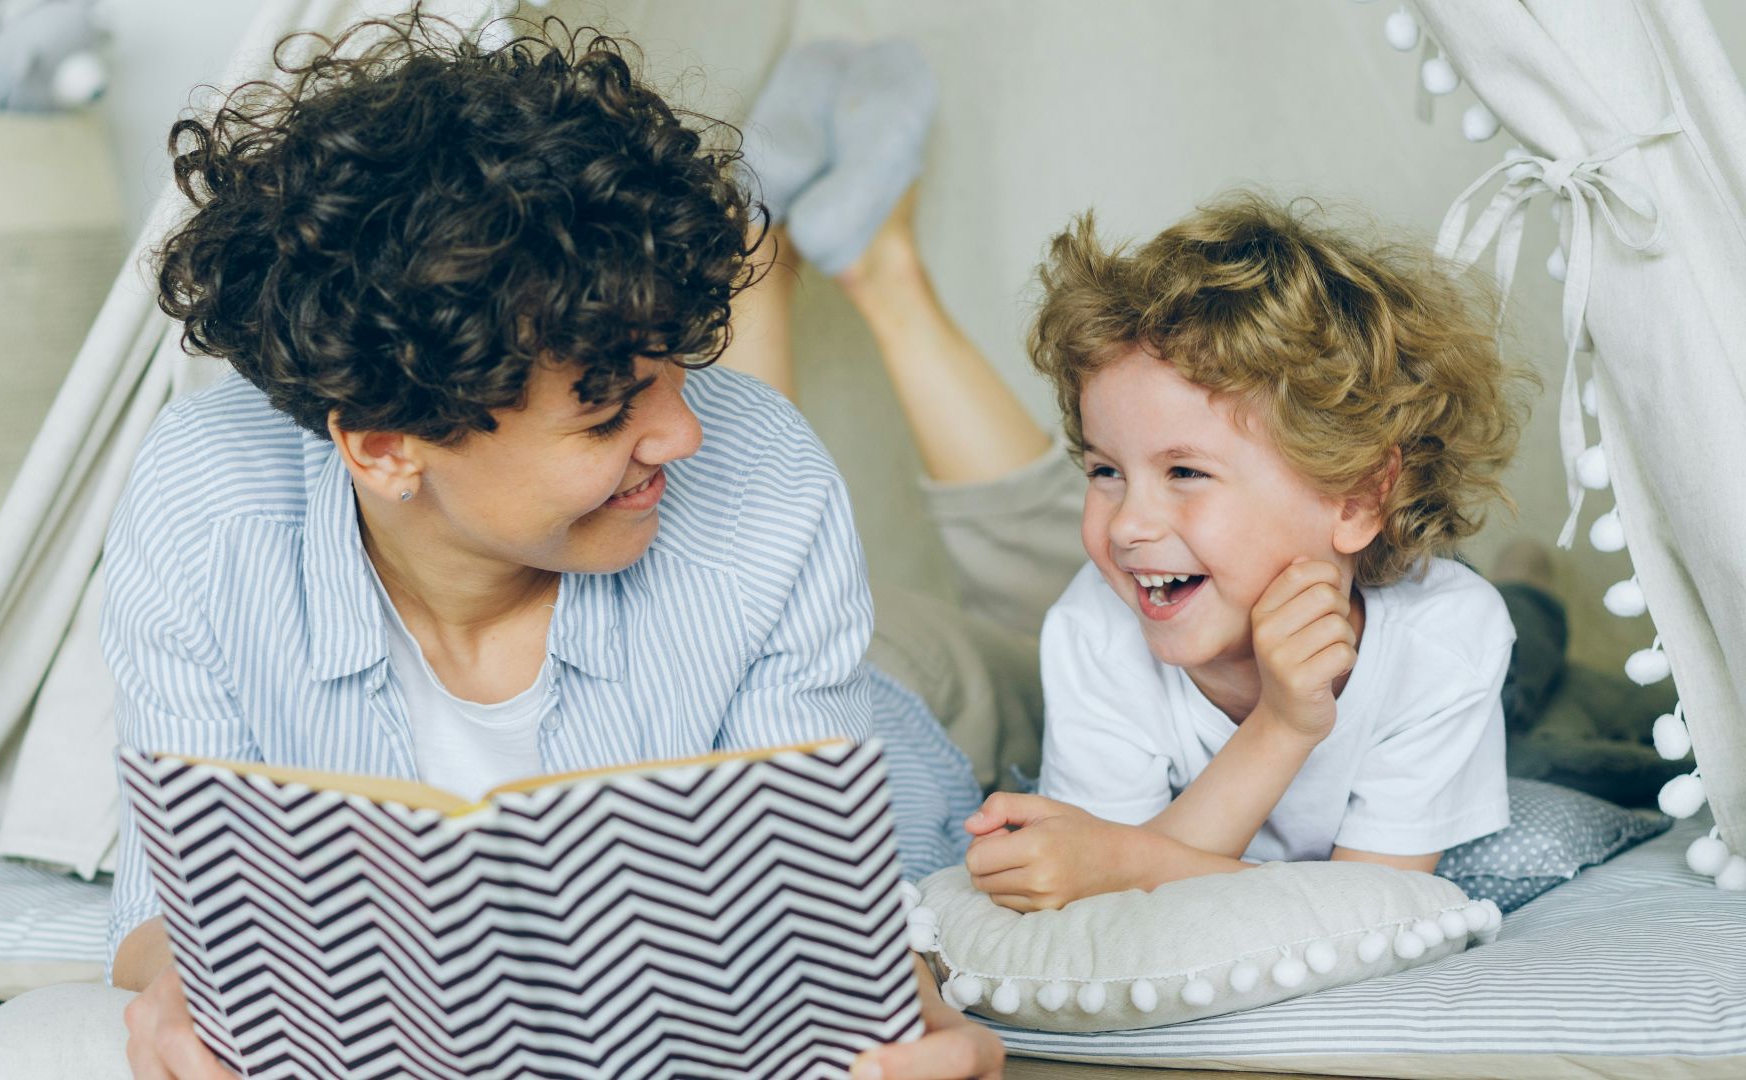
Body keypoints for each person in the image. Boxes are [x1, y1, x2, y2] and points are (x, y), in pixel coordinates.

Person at [79, 17, 1000, 1080]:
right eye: (606, 412)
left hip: (908, 690)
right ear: (385, 447)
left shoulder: (767, 481)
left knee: (1019, 641)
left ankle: (848, 257)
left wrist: (908, 1018)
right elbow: (165, 912)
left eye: (680, 362)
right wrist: (191, 986)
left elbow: (817, 919)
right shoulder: (204, 501)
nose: (683, 432)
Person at [744, 181, 1534, 913]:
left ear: (1358, 497)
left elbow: (1374, 909)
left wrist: (1138, 850)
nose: (1126, 525)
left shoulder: (1446, 637)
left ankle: (1534, 585)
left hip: (1451, 612)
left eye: (1185, 471)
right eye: (1105, 471)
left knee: (1534, 652)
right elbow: (1109, 897)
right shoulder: (1094, 630)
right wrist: (1279, 728)